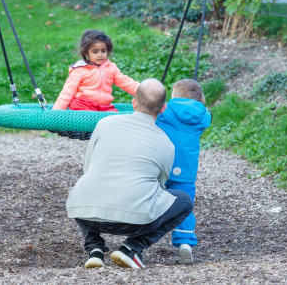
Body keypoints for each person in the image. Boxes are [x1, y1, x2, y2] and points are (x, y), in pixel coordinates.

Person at [66, 78, 193, 269]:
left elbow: (88, 168)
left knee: (88, 184)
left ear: (133, 102)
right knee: (183, 201)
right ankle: (132, 248)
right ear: (163, 108)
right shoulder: (166, 143)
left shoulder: (104, 123)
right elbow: (159, 188)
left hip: (86, 215)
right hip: (132, 222)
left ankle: (94, 249)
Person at [155, 79, 212, 264]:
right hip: (186, 171)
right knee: (185, 206)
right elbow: (208, 117)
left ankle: (139, 238)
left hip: (162, 164)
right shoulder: (202, 115)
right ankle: (185, 242)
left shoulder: (165, 110)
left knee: (151, 198)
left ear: (175, 95)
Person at [52, 29, 139, 111]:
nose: (100, 55)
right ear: (86, 52)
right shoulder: (79, 70)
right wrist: (55, 113)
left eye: (103, 51)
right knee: (87, 117)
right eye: (95, 52)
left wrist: (145, 91)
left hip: (104, 106)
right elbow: (67, 92)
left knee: (114, 118)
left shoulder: (111, 68)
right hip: (83, 105)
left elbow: (126, 82)